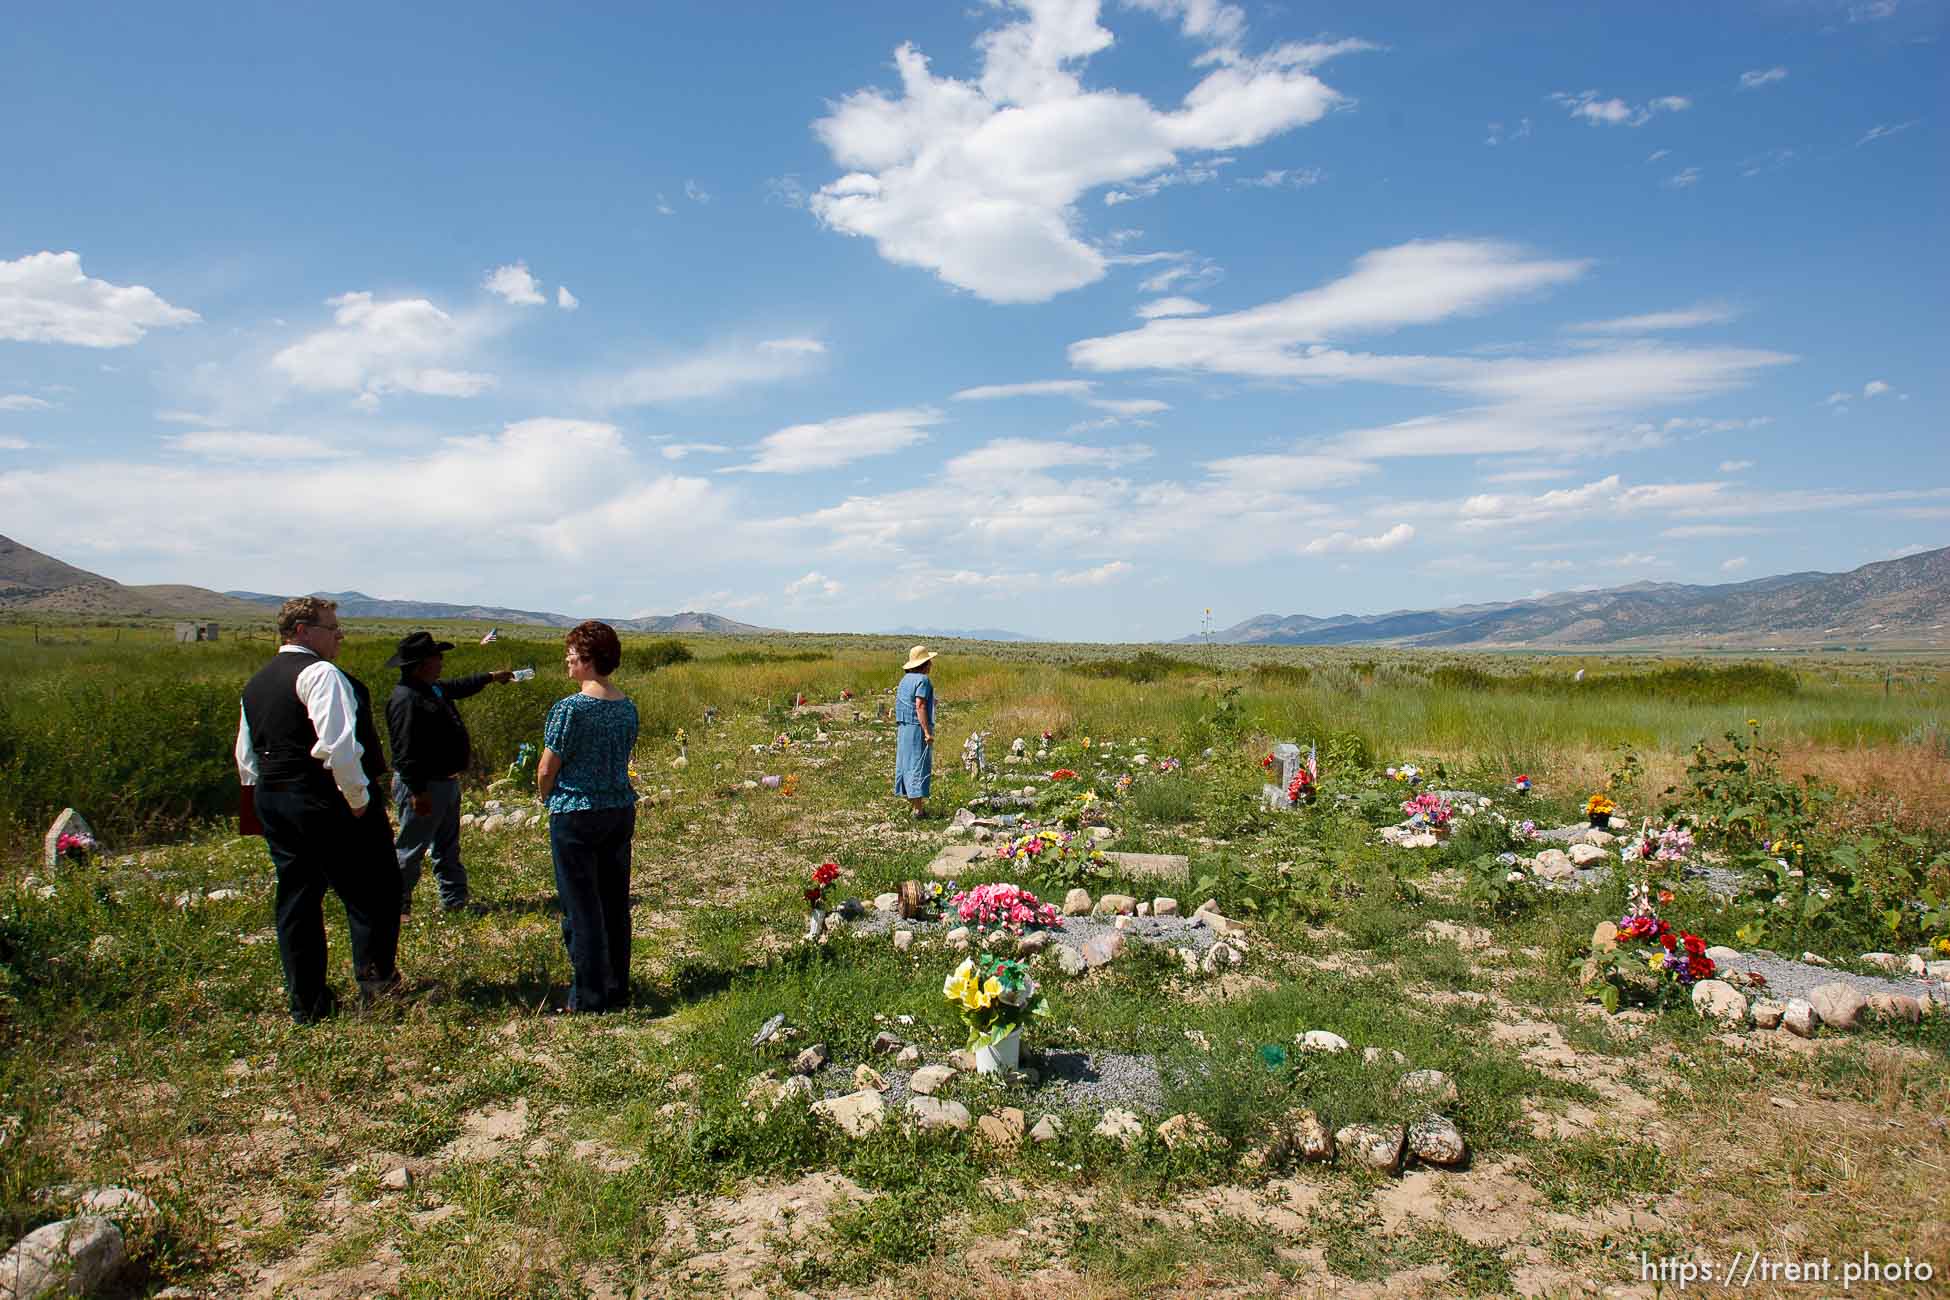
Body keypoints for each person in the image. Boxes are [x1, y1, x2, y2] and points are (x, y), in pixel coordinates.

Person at [235, 596, 402, 1023]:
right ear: (304, 631)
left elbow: (246, 756)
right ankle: (376, 989)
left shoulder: (255, 683)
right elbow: (339, 747)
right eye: (333, 628)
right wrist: (360, 800)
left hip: (274, 797)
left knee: (297, 899)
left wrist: (255, 809)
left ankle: (307, 1004)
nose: (339, 636)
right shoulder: (320, 673)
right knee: (372, 891)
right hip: (324, 798)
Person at [536, 620, 638, 1012]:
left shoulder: (570, 709)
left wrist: (546, 798)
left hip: (576, 813)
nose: (567, 659)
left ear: (589, 660)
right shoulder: (626, 706)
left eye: (573, 654)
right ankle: (616, 986)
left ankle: (589, 996)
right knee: (614, 902)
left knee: (581, 908)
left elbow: (547, 768)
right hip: (618, 809)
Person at [384, 630, 514, 916]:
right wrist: (418, 791)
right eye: (436, 657)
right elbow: (404, 752)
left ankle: (455, 902)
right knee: (411, 848)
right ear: (421, 664)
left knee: (447, 846)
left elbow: (459, 685)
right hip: (424, 786)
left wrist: (491, 676)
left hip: (444, 781)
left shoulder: (431, 688)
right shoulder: (406, 699)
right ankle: (395, 906)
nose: (441, 661)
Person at [894, 644, 937, 817]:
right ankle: (918, 810)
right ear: (924, 664)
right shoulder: (923, 680)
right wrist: (927, 731)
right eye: (929, 662)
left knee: (906, 763)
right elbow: (919, 706)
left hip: (903, 727)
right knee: (917, 764)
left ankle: (914, 805)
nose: (931, 665)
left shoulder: (904, 680)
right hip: (915, 727)